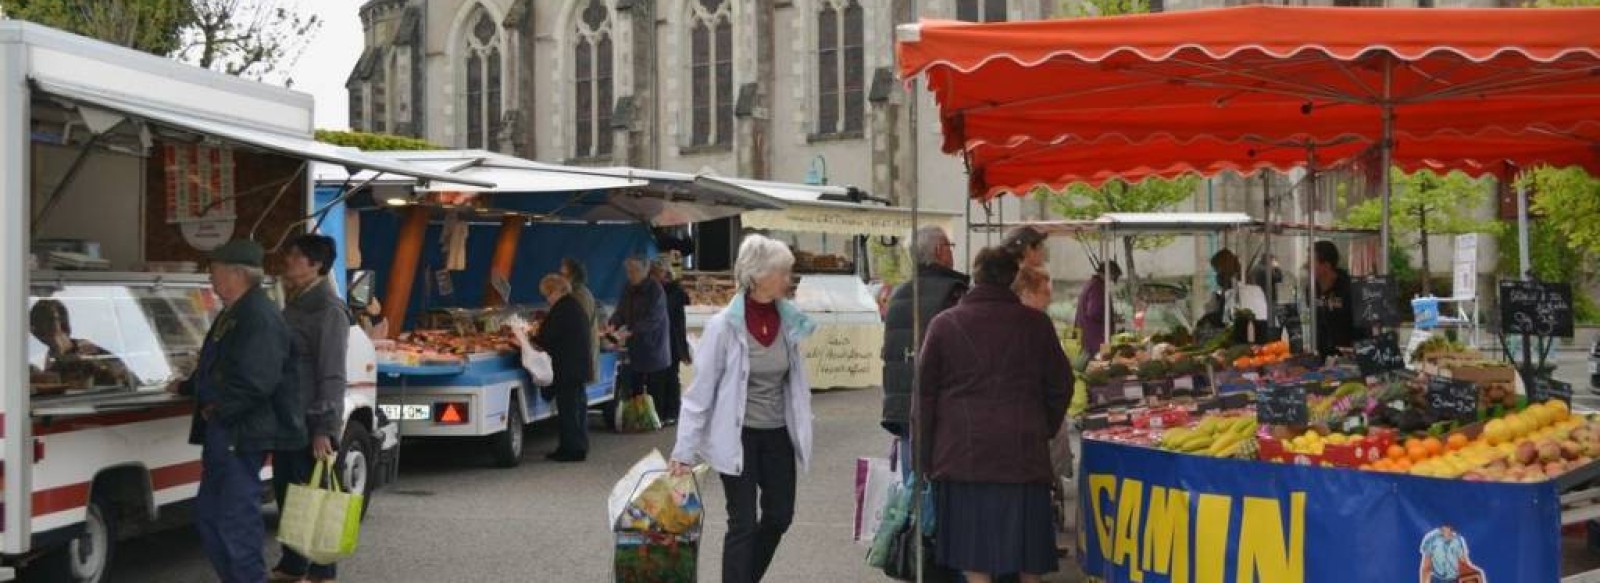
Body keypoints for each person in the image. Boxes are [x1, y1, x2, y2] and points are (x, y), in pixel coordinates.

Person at [916, 247, 1072, 583]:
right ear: (1013, 276)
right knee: (1027, 551)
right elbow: (1061, 384)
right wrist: (1042, 425)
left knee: (975, 555)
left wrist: (925, 454)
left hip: (962, 455)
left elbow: (924, 396)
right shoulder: (1036, 324)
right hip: (1022, 452)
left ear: (976, 275)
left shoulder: (944, 324)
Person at [669, 234, 816, 583]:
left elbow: (794, 385)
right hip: (738, 437)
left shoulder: (790, 321)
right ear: (759, 275)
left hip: (778, 435)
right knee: (743, 523)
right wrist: (683, 451)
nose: (787, 279)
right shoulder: (723, 326)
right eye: (782, 272)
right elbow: (699, 393)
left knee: (780, 516)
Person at [175, 240, 302, 583]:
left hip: (239, 431)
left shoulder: (257, 315)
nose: (211, 277)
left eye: (214, 269)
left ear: (236, 273)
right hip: (227, 430)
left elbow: (258, 379)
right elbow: (217, 365)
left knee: (233, 519)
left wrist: (219, 408)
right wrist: (187, 387)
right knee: (211, 515)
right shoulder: (235, 311)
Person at [271, 235, 348, 583]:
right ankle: (294, 563)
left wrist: (323, 428)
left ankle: (321, 569)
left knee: (312, 493)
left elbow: (332, 372)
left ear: (316, 264)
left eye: (297, 255)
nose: (289, 259)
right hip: (287, 417)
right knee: (289, 492)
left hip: (308, 419)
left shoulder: (328, 309)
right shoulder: (295, 301)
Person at [881, 225, 970, 481]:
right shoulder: (954, 293)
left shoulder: (898, 294)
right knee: (943, 487)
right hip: (943, 404)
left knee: (915, 486)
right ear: (940, 251)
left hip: (904, 404)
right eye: (950, 247)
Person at [535, 274, 595, 462]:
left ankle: (571, 450)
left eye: (548, 294)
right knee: (576, 409)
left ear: (557, 291)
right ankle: (576, 446)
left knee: (569, 411)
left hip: (568, 368)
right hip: (577, 367)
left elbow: (548, 336)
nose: (547, 298)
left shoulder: (563, 310)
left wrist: (532, 341)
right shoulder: (573, 307)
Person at [610, 257, 673, 411]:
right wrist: (613, 324)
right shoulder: (628, 287)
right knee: (635, 385)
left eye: (634, 271)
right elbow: (621, 311)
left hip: (653, 345)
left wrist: (631, 331)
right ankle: (637, 417)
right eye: (628, 271)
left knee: (654, 388)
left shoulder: (656, 290)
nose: (630, 274)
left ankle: (656, 418)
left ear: (645, 271)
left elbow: (653, 319)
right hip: (635, 346)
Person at [29, 299, 133, 389]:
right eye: (35, 325)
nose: (42, 329)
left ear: (61, 322)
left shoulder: (86, 350)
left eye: (50, 320)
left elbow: (125, 380)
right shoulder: (51, 357)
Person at [653, 257, 692, 425]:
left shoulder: (674, 292)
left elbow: (671, 316)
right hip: (663, 339)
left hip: (672, 339)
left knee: (669, 376)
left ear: (664, 274)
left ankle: (672, 412)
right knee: (660, 377)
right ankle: (662, 411)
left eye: (656, 274)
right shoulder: (664, 290)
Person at [1311, 240, 1366, 357]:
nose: (1307, 265)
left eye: (1312, 261)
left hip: (1348, 357)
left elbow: (1363, 328)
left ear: (1326, 265)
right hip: (1321, 356)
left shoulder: (1350, 288)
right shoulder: (1311, 289)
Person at [560, 257, 601, 385]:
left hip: (580, 361)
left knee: (576, 399)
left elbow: (576, 328)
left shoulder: (580, 296)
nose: (560, 278)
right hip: (579, 361)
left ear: (572, 276)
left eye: (562, 274)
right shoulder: (577, 293)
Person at [1073, 260, 1121, 358]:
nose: (1112, 281)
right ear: (1109, 274)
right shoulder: (1097, 287)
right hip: (1096, 338)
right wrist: (1110, 318)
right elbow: (1093, 312)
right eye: (1113, 277)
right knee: (1102, 362)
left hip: (1090, 336)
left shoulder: (1092, 284)